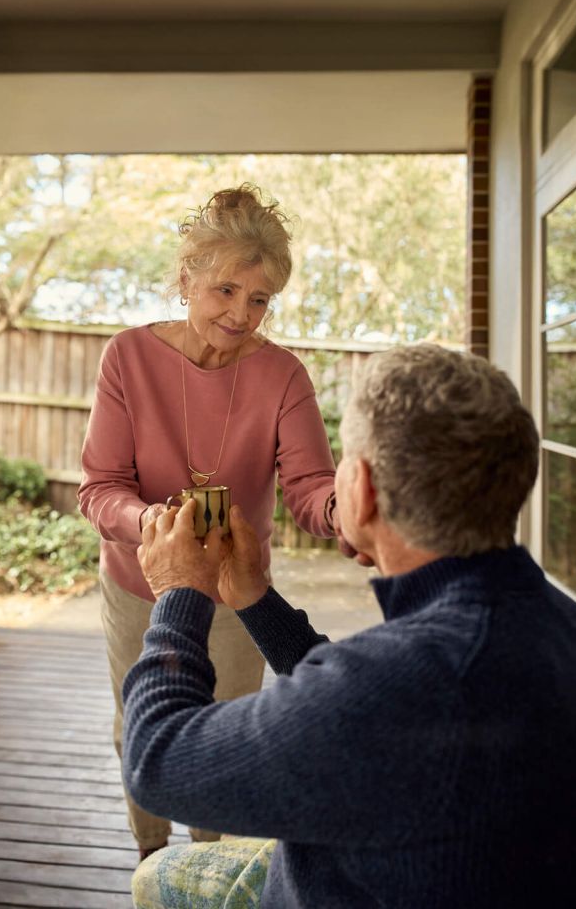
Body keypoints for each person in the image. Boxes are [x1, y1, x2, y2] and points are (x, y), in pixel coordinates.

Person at [122, 343, 576, 908]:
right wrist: (252, 598)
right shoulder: (555, 619)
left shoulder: (411, 684)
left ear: (361, 489)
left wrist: (179, 593)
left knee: (157, 876)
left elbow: (158, 762)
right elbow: (361, 705)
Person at [78, 184, 341, 860]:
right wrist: (158, 527)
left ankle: (211, 869)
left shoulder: (283, 376)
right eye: (226, 290)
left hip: (233, 594)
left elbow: (312, 490)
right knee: (141, 726)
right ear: (187, 278)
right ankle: (154, 861)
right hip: (142, 585)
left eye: (259, 299)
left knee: (225, 736)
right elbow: (101, 490)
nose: (242, 313)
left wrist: (349, 512)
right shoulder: (128, 358)